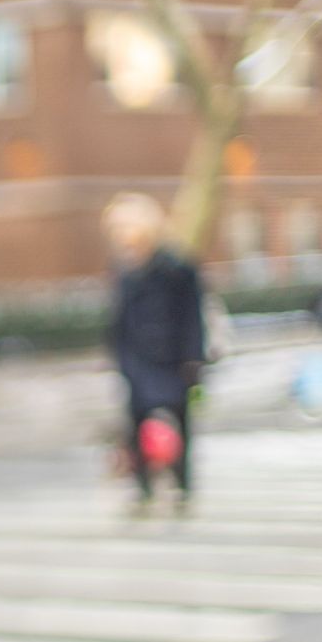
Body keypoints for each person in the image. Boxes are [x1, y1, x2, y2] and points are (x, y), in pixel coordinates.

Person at [103, 192, 206, 511]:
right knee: (136, 423)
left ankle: (182, 484)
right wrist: (118, 357)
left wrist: (193, 357)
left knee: (179, 421)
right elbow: (118, 318)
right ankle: (144, 487)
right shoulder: (123, 269)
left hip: (174, 358)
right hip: (138, 360)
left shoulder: (176, 266)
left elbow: (192, 314)